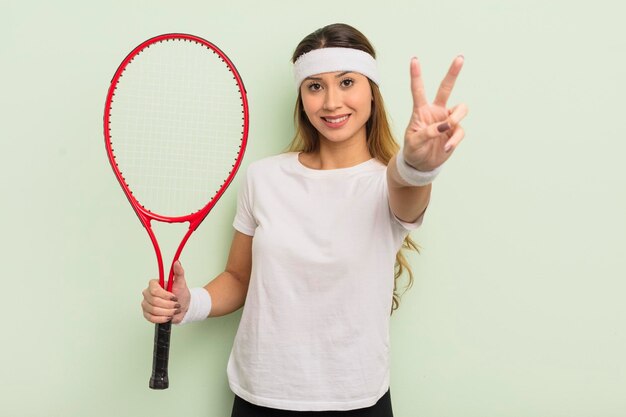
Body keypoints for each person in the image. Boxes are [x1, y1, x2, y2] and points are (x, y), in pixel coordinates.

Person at [141, 23, 468, 416]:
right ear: (301, 96)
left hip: (356, 400)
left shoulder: (387, 182)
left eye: (347, 82)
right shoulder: (264, 177)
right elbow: (239, 278)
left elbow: (407, 192)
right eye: (315, 86)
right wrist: (188, 303)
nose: (331, 102)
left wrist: (417, 166)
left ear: (371, 92)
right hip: (260, 396)